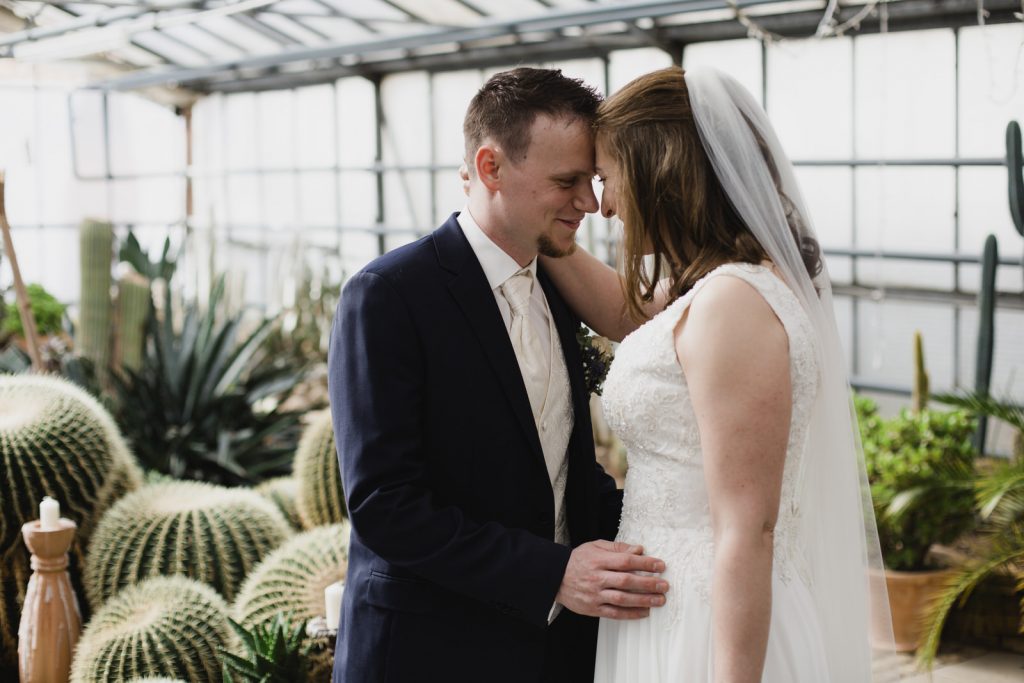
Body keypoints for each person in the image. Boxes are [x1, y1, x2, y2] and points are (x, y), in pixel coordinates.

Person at [541, 66, 896, 681]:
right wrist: (539, 229)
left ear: (659, 169)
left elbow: (747, 529)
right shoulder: (713, 285)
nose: (604, 206)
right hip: (671, 605)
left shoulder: (733, 304)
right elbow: (627, 313)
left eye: (606, 177)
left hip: (709, 625)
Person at [327, 67, 669, 683]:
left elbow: (557, 469)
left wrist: (671, 523)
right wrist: (553, 573)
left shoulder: (559, 284)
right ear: (490, 167)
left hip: (555, 653)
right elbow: (385, 504)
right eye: (567, 182)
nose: (590, 203)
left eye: (591, 181)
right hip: (428, 652)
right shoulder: (388, 295)